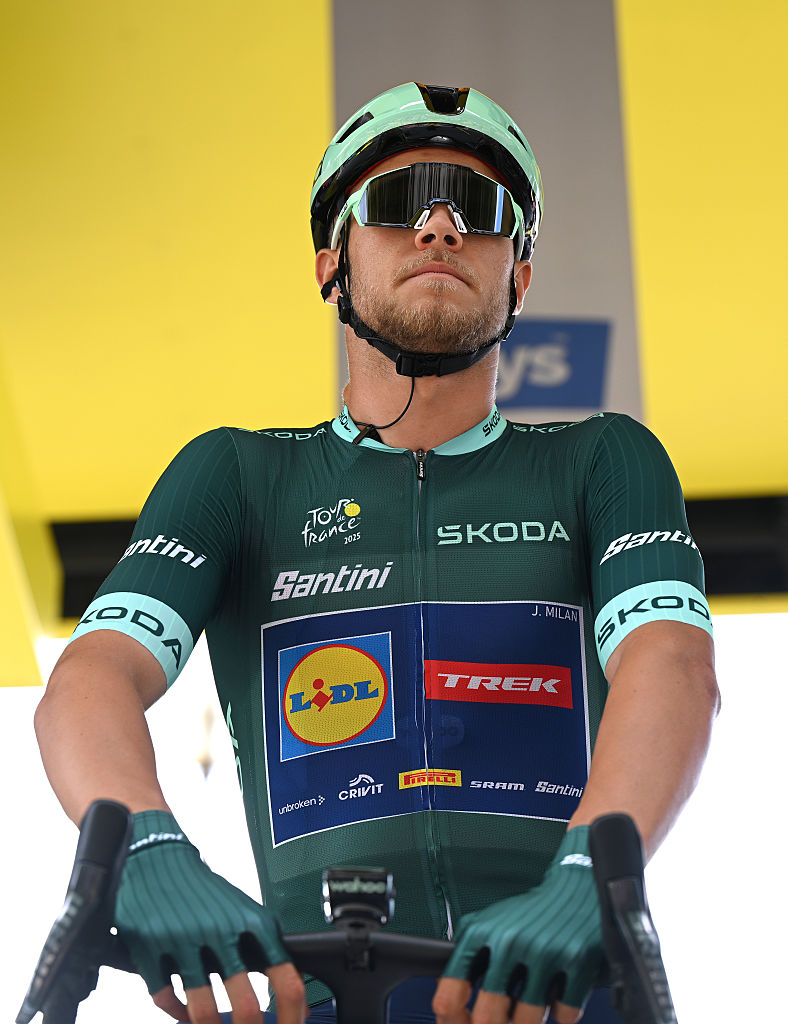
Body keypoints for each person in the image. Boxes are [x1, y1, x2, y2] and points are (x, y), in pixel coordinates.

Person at [35, 82, 719, 1024]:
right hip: (321, 996)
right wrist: (146, 845)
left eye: (480, 209)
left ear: (519, 279)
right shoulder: (237, 474)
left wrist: (590, 870)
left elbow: (672, 663)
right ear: (332, 264)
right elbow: (90, 677)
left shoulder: (602, 460)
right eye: (399, 202)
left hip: (558, 995)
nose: (440, 226)